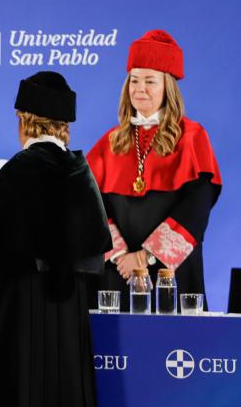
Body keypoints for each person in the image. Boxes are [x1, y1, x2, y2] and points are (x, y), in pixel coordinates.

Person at [0, 71, 111, 407]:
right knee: (65, 388)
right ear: (64, 125)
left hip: (21, 302)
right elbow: (93, 250)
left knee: (20, 390)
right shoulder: (81, 173)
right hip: (69, 305)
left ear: (23, 120)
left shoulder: (19, 169)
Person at [87, 30, 221, 310]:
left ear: (168, 87)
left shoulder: (192, 136)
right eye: (134, 81)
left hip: (171, 273)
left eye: (150, 81)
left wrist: (145, 256)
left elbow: (196, 208)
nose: (140, 89)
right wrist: (121, 255)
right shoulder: (110, 141)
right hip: (118, 273)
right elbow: (90, 205)